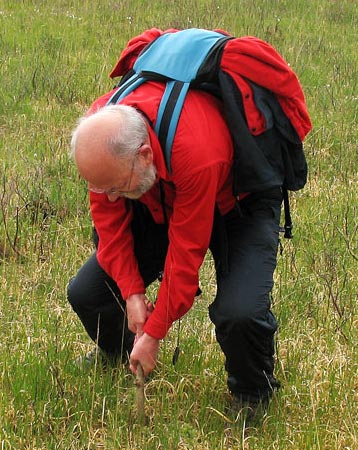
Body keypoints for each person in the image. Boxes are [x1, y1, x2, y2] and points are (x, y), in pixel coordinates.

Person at [68, 77, 283, 410]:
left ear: (143, 155)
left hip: (240, 201)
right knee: (89, 293)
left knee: (239, 313)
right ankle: (121, 355)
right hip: (161, 195)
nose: (110, 196)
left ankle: (252, 394)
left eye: (115, 187)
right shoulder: (104, 139)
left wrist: (154, 332)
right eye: (101, 188)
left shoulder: (196, 151)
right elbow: (109, 227)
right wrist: (132, 293)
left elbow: (185, 258)